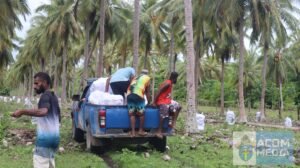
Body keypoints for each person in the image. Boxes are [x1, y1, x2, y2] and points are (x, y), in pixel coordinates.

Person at [11, 72, 60, 168]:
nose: (34, 86)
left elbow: (43, 112)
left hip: (45, 139)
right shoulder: (54, 97)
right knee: (49, 164)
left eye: (37, 83)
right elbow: (59, 118)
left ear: (45, 82)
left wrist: (22, 111)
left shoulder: (45, 96)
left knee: (40, 163)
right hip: (54, 139)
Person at [153, 72, 181, 138]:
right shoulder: (167, 83)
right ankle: (158, 131)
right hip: (161, 101)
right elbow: (159, 91)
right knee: (164, 112)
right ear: (174, 78)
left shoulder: (170, 83)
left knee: (178, 106)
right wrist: (154, 102)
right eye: (176, 78)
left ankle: (172, 123)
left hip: (167, 101)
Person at [127, 69, 150, 137]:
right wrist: (148, 102)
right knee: (141, 114)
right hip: (138, 95)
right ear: (147, 74)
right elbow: (147, 92)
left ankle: (133, 132)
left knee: (132, 114)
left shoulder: (135, 78)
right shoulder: (147, 78)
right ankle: (140, 131)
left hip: (129, 95)